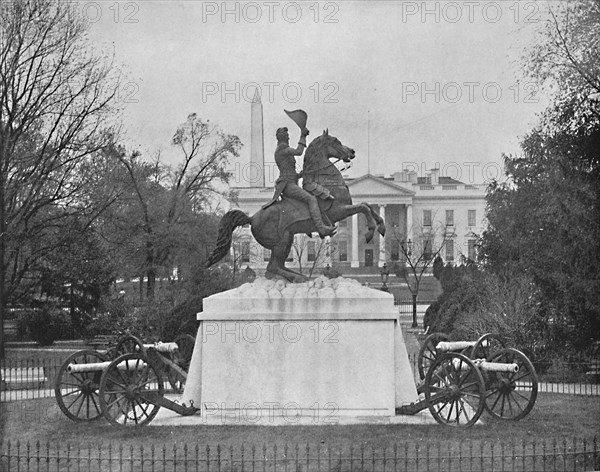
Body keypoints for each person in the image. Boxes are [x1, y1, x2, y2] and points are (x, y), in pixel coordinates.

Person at [268, 126, 336, 238]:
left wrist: (300, 174)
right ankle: (321, 228)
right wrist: (303, 136)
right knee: (311, 199)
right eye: (287, 136)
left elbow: (290, 172)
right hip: (287, 185)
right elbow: (299, 151)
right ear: (283, 138)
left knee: (311, 197)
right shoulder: (282, 150)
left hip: (291, 182)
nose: (289, 138)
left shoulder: (283, 151)